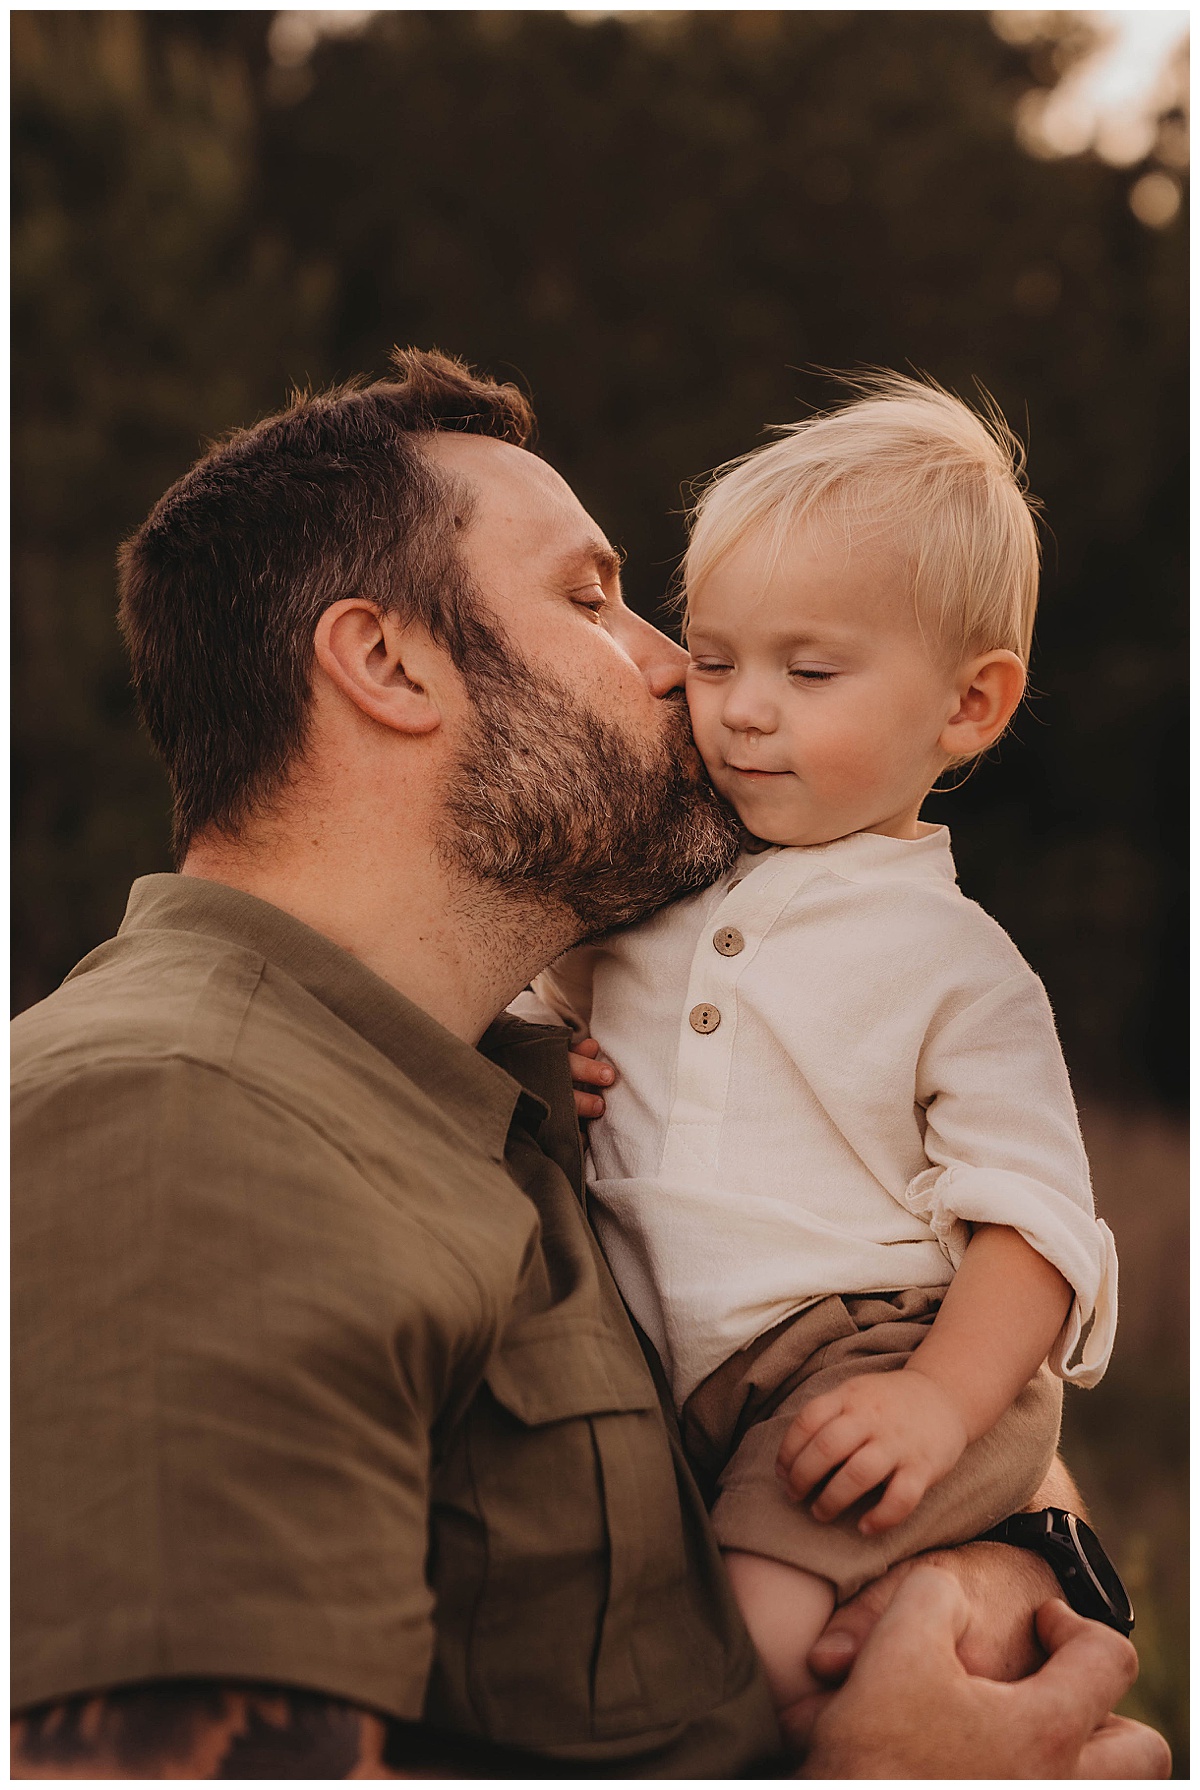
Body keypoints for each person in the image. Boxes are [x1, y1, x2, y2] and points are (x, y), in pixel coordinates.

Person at [10, 350, 1168, 1779]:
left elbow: (927, 1389)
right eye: (590, 597)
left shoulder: (516, 1085)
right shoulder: (177, 1119)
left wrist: (995, 1576)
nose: (680, 665)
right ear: (387, 663)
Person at [519, 375, 1122, 1712]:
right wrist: (538, 1055)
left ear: (968, 707)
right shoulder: (649, 889)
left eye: (809, 670)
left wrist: (934, 1407)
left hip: (874, 1359)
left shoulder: (956, 963)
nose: (738, 707)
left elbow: (1034, 1230)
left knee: (750, 1657)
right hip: (687, 1383)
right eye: (716, 657)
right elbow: (531, 999)